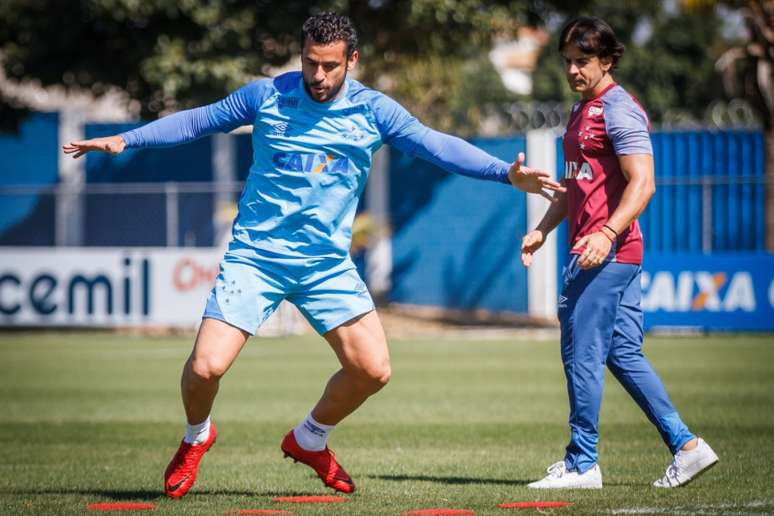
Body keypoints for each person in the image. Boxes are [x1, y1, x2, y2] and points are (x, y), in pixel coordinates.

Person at [63, 12, 563, 498]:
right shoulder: (268, 95)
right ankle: (196, 436)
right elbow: (199, 121)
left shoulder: (374, 111)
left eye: (329, 66)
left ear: (353, 60)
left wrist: (505, 173)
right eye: (309, 63)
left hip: (325, 264)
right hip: (256, 256)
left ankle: (309, 438)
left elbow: (437, 146)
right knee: (205, 369)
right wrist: (127, 139)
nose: (317, 76)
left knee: (373, 371)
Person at [520, 16, 718, 489]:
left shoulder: (618, 109)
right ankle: (687, 446)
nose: (572, 70)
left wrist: (607, 233)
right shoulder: (578, 111)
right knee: (623, 353)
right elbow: (573, 187)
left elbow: (643, 183)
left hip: (607, 254)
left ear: (607, 60)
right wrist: (543, 229)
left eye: (582, 61)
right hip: (602, 251)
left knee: (580, 354)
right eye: (567, 61)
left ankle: (582, 462)